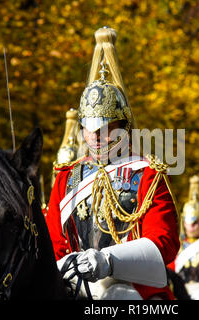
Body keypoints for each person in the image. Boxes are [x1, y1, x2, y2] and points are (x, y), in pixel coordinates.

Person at [45, 27, 180, 300]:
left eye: (104, 127)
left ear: (123, 127)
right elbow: (53, 244)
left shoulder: (147, 175)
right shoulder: (66, 177)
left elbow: (163, 242)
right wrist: (66, 267)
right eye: (88, 127)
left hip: (132, 285)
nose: (94, 136)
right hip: (74, 285)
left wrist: (109, 261)